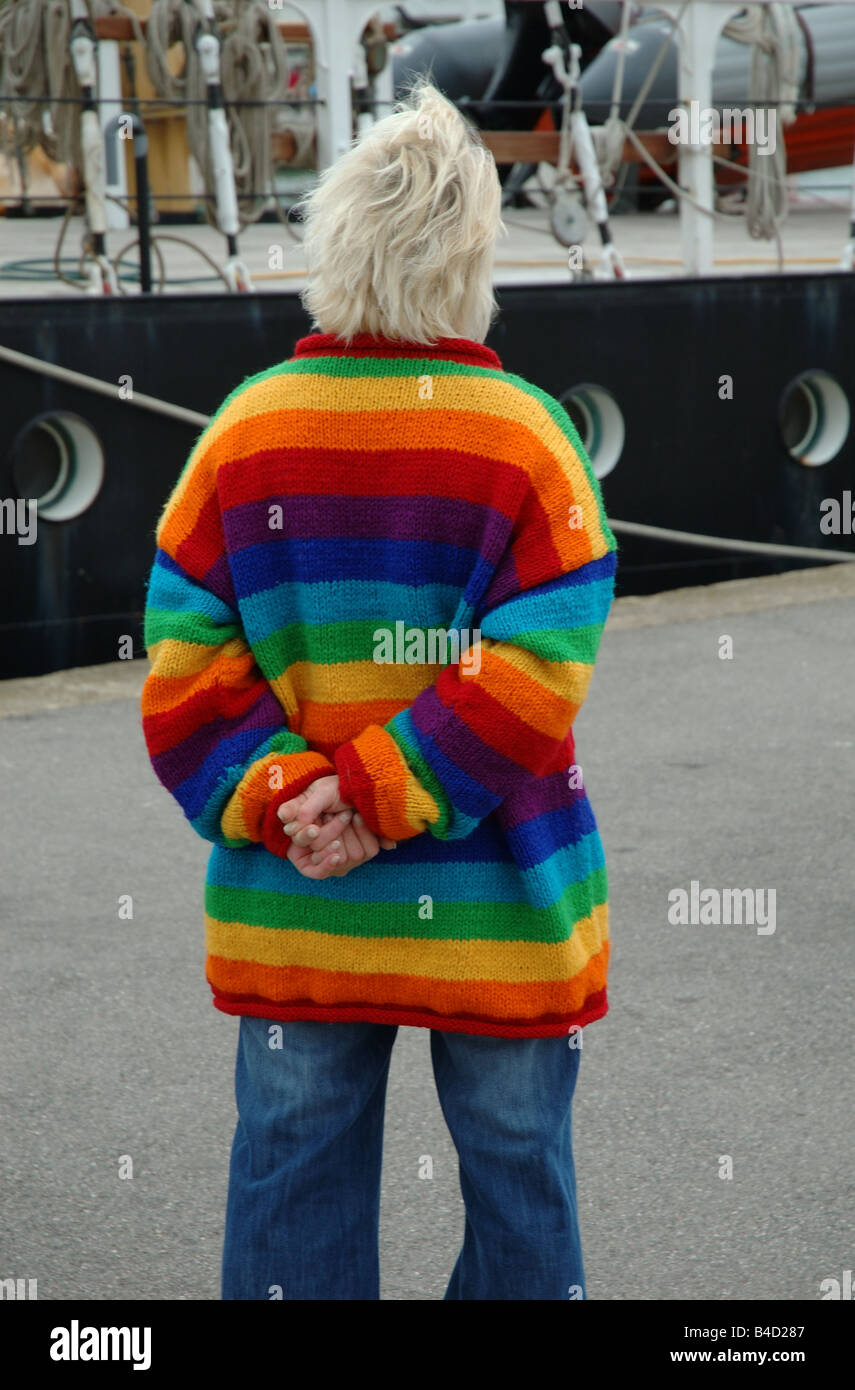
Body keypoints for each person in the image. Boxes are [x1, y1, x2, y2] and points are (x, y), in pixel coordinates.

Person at [140, 75, 617, 1301]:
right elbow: (536, 668)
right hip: (497, 911)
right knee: (518, 1172)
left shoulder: (245, 433)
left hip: (293, 899)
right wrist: (382, 794)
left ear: (334, 242)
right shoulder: (526, 439)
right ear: (470, 257)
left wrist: (306, 794)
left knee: (294, 1166)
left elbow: (187, 663)